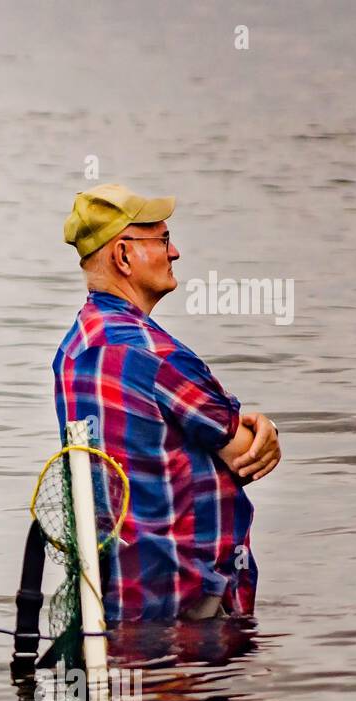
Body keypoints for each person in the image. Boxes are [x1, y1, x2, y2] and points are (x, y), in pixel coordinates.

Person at [54, 184, 281, 621]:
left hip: (115, 595)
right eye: (161, 239)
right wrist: (266, 428)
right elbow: (246, 452)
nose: (174, 251)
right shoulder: (156, 356)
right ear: (123, 256)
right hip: (189, 599)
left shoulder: (73, 348)